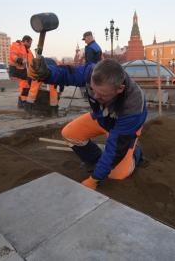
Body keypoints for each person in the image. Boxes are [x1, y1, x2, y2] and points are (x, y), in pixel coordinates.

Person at [30, 58, 147, 190]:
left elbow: (115, 149)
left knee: (116, 175)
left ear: (120, 89)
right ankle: (95, 160)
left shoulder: (133, 106)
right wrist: (47, 74)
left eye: (102, 94)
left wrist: (95, 179)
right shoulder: (93, 72)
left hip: (124, 129)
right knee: (69, 134)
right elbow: (68, 74)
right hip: (102, 117)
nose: (95, 97)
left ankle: (135, 152)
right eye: (92, 89)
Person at [9, 35, 33, 109]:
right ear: (25, 41)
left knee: (27, 84)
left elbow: (31, 60)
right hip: (17, 69)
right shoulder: (17, 45)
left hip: (24, 70)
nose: (30, 45)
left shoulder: (28, 51)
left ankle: (22, 101)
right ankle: (23, 101)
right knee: (25, 84)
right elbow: (13, 55)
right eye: (30, 43)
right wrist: (19, 60)